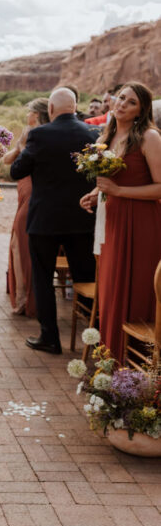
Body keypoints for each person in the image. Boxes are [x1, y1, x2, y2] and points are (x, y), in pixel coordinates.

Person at [10, 87, 96, 354]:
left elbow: (16, 171)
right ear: (76, 105)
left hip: (45, 220)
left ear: (50, 109)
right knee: (86, 277)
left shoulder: (39, 135)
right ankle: (93, 336)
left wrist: (25, 150)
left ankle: (50, 338)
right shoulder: (92, 133)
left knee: (43, 278)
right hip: (83, 219)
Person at [80, 82, 161, 362]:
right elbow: (110, 182)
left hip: (140, 225)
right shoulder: (108, 136)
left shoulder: (149, 137)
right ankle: (112, 361)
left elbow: (160, 187)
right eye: (121, 98)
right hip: (112, 222)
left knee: (135, 289)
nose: (122, 104)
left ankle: (136, 367)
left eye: (131, 102)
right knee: (111, 287)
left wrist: (118, 192)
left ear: (141, 111)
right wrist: (93, 194)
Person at [3, 97, 49, 316]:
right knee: (18, 241)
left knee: (22, 241)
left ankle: (27, 299)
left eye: (30, 111)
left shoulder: (41, 134)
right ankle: (22, 296)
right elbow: (8, 159)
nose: (27, 115)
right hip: (24, 185)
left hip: (32, 186)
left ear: (38, 114)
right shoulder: (27, 132)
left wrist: (22, 148)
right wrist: (19, 147)